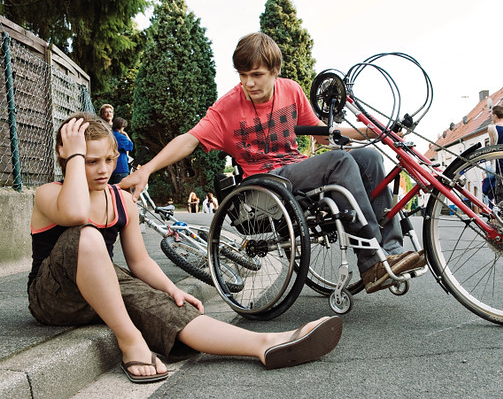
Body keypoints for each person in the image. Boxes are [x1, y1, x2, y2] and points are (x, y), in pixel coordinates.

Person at [27, 112, 342, 384]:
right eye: (90, 161)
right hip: (54, 297)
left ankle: (266, 343)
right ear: (67, 156)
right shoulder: (47, 194)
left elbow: (139, 262)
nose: (102, 170)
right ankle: (130, 340)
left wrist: (170, 289)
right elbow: (76, 215)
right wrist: (75, 157)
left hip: (103, 289)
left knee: (170, 306)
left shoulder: (121, 201)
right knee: (87, 235)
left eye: (109, 160)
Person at [120, 32, 425, 294]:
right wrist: (146, 169)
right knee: (341, 162)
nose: (248, 83)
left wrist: (375, 131)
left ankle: (392, 252)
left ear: (274, 71)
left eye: (256, 75)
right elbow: (189, 139)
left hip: (298, 169)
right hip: (267, 182)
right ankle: (372, 262)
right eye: (242, 75)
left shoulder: (291, 91)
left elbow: (323, 135)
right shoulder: (226, 108)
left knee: (368, 157)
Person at [110, 117, 134, 185]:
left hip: (110, 168)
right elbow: (130, 146)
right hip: (121, 168)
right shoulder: (121, 137)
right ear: (122, 126)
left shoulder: (108, 136)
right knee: (120, 192)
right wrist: (126, 135)